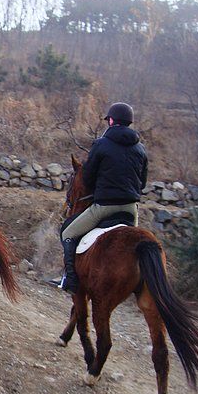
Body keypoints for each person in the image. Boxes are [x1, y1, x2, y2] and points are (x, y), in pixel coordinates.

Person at [58, 102, 148, 293]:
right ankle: (143, 286)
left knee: (67, 234)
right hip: (131, 210)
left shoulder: (101, 144)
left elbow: (88, 179)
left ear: (112, 120)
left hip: (104, 207)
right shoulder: (140, 149)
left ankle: (70, 280)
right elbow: (143, 183)